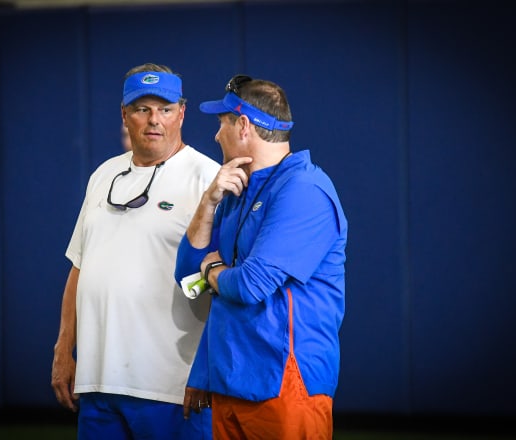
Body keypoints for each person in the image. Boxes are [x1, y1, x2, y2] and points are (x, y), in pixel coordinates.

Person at [51, 63, 220, 440]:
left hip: (172, 386)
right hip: (99, 383)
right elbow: (80, 267)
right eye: (142, 109)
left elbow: (223, 286)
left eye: (164, 109)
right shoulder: (103, 174)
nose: (153, 120)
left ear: (182, 113)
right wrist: (64, 348)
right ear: (125, 115)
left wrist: (208, 370)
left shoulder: (207, 179)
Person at [174, 74, 348, 439]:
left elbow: (250, 285)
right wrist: (209, 201)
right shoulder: (234, 190)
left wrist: (215, 270)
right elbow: (190, 274)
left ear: (243, 126)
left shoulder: (305, 190)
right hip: (229, 381)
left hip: (285, 385)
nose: (215, 135)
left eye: (221, 124)